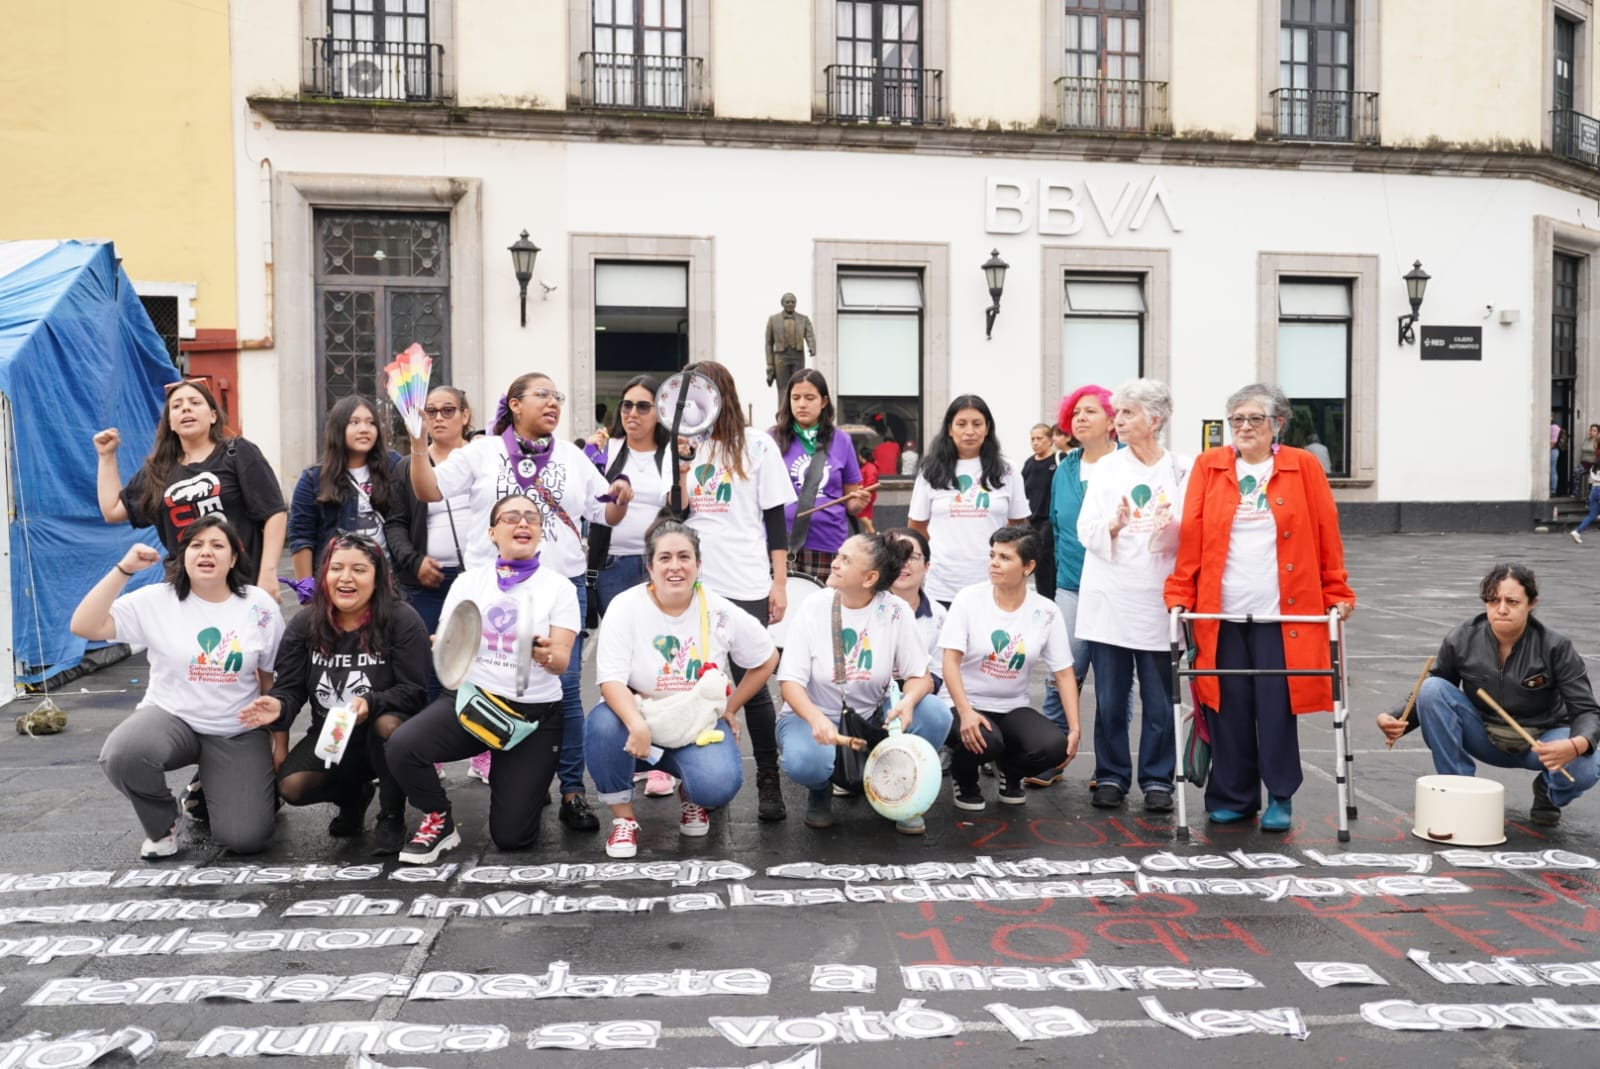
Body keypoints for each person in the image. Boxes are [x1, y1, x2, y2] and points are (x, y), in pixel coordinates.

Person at [409, 372, 631, 833]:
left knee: (565, 689)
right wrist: (416, 444)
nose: (553, 403)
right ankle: (509, 769)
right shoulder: (482, 451)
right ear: (513, 404)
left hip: (558, 588)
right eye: (542, 395)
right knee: (487, 680)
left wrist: (621, 497)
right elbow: (428, 490)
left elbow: (604, 512)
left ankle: (572, 789)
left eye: (557, 396)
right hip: (492, 589)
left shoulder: (571, 456)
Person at [1165, 384, 1355, 831]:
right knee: (1226, 705)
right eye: (1237, 419)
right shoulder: (1209, 466)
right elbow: (1192, 535)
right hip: (1220, 613)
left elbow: (1326, 532)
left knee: (1276, 707)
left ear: (1277, 424)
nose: (1245, 427)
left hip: (1282, 613)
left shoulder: (1303, 466)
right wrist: (1180, 592)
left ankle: (1280, 795)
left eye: (1255, 419)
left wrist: (1336, 592)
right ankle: (1233, 794)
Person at [70, 516, 285, 859]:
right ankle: (164, 825)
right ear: (183, 556)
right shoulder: (157, 600)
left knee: (245, 838)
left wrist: (278, 744)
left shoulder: (258, 605)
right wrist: (124, 570)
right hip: (173, 719)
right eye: (196, 545)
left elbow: (271, 678)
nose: (206, 552)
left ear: (233, 558)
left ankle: (219, 785)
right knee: (122, 754)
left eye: (217, 545)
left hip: (235, 729)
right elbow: (84, 625)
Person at [383, 493, 579, 862]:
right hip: (472, 703)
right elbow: (449, 645)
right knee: (402, 745)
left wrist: (546, 655)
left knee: (512, 837)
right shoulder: (469, 583)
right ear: (492, 532)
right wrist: (442, 645)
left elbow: (562, 662)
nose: (523, 523)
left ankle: (525, 781)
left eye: (531, 518)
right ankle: (438, 817)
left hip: (532, 718)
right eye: (511, 517)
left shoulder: (560, 587)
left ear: (540, 531)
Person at [587, 518, 779, 857]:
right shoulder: (625, 606)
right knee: (602, 725)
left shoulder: (718, 610)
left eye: (684, 557)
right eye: (664, 558)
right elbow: (611, 680)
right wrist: (636, 724)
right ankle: (624, 820)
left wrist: (730, 708)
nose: (675, 566)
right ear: (649, 567)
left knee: (718, 784)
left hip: (696, 721)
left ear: (698, 564)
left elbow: (766, 658)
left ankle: (691, 794)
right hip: (641, 716)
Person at [240, 533, 430, 854]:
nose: (345, 578)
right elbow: (290, 689)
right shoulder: (306, 624)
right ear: (324, 574)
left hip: (387, 733)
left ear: (378, 578)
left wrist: (371, 702)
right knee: (292, 786)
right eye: (336, 568)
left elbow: (415, 692)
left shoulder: (401, 620)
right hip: (334, 734)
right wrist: (278, 706)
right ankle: (354, 797)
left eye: (359, 569)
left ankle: (391, 814)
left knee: (387, 726)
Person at [1378, 564, 1599, 825]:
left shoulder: (1556, 647)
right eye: (1494, 600)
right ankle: (1459, 790)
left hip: (1542, 741)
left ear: (1531, 603)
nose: (1501, 609)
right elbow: (1436, 691)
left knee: (1586, 767)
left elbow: (1586, 710)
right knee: (1432, 687)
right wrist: (1395, 718)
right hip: (1485, 735)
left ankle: (1549, 791)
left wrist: (1575, 745)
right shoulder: (1462, 638)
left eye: (1512, 601)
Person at [676, 360, 797, 821]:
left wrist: (779, 583)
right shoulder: (682, 446)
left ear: (721, 393)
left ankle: (768, 777)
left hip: (746, 578)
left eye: (701, 393)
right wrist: (681, 465)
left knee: (755, 684)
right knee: (697, 681)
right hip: (697, 582)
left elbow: (774, 521)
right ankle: (702, 779)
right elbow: (677, 512)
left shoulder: (757, 444)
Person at [776, 533, 953, 833]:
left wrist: (908, 702)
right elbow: (789, 682)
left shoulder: (895, 610)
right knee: (806, 761)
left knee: (936, 714)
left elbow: (919, 676)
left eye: (845, 560)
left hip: (872, 716)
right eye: (838, 555)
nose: (835, 563)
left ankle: (897, 790)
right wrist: (816, 718)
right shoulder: (813, 607)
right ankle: (820, 790)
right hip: (813, 719)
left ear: (870, 578)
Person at [1076, 378, 1189, 812]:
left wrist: (1170, 527)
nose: (1118, 421)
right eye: (1117, 412)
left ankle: (1158, 779)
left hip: (1159, 599)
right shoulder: (1106, 468)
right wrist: (1114, 525)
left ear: (1154, 419)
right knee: (1109, 697)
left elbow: (1194, 530)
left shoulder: (1181, 469)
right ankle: (1111, 774)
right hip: (1111, 598)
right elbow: (1085, 528)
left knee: (1160, 699)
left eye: (1127, 413)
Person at [93, 379, 286, 588]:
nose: (186, 408)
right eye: (176, 406)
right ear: (170, 423)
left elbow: (274, 512)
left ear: (213, 416)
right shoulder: (158, 470)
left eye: (195, 402)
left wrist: (268, 573)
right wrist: (106, 456)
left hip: (243, 584)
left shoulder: (237, 452)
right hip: (184, 590)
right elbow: (112, 510)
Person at [940, 527, 1079, 809]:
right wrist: (965, 712)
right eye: (992, 555)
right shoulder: (968, 599)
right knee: (987, 739)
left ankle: (1010, 772)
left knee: (1055, 747)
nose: (994, 563)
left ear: (1028, 567)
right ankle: (964, 777)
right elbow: (950, 661)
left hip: (1012, 707)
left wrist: (1075, 728)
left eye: (1005, 558)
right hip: (965, 704)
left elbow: (1064, 673)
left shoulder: (1046, 611)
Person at [1033, 384, 1120, 788]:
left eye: (1091, 411)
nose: (1081, 418)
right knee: (1061, 672)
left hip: (1117, 591)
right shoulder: (1064, 469)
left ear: (1112, 419)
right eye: (1076, 412)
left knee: (1113, 685)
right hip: (1070, 586)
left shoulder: (1125, 465)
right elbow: (1056, 527)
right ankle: (1051, 756)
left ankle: (1110, 770)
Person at [386, 386, 474, 698]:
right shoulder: (407, 466)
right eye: (431, 412)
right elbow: (395, 522)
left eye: (448, 410)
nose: (438, 418)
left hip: (476, 580)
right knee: (428, 665)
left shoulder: (483, 458)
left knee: (475, 663)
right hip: (427, 584)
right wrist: (414, 562)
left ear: (465, 415)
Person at [908, 394, 1030, 606]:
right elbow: (917, 526)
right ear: (949, 429)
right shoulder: (930, 471)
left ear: (987, 428)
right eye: (961, 424)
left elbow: (1018, 526)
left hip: (993, 584)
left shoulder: (1008, 470)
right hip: (942, 586)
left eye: (977, 424)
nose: (969, 431)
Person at [288, 395, 400, 580]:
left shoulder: (394, 466)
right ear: (338, 428)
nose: (364, 429)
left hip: (389, 580)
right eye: (354, 422)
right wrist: (306, 587)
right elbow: (301, 537)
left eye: (371, 423)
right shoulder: (313, 479)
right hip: (339, 580)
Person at [772, 369, 869, 582]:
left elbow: (850, 501)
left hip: (828, 543)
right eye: (795, 398)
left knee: (826, 602)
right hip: (779, 543)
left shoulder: (842, 441)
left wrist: (858, 503)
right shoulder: (771, 439)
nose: (802, 404)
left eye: (809, 398)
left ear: (824, 401)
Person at [886, 527, 946, 692]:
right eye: (896, 555)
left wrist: (916, 691)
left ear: (927, 565)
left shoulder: (939, 614)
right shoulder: (866, 604)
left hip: (921, 694)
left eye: (912, 557)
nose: (904, 563)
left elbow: (939, 669)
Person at [1020, 422, 1059, 601]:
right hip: (1032, 520)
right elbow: (1022, 491)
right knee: (1033, 560)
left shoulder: (1057, 461)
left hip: (1049, 519)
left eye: (1039, 438)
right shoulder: (1029, 463)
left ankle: (1050, 598)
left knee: (1044, 557)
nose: (1035, 442)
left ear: (1050, 440)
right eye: (1032, 439)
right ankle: (1041, 598)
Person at [764, 293, 816, 412]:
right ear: (782, 304)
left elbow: (810, 335)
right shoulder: (773, 320)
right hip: (780, 356)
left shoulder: (803, 319)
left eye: (793, 302)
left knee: (798, 385)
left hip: (797, 355)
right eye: (787, 302)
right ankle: (783, 413)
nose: (790, 304)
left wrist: (812, 346)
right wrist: (770, 364)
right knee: (783, 388)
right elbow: (768, 344)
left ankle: (796, 411)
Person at [855, 440, 879, 535]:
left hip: (867, 493)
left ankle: (872, 532)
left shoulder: (869, 467)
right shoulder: (868, 466)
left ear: (862, 456)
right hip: (867, 493)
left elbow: (871, 482)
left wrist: (862, 488)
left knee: (859, 513)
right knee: (867, 515)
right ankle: (869, 534)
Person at [1573, 459, 1600, 545]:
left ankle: (1577, 532)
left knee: (1592, 515)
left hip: (1594, 490)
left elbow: (1590, 481)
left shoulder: (1593, 467)